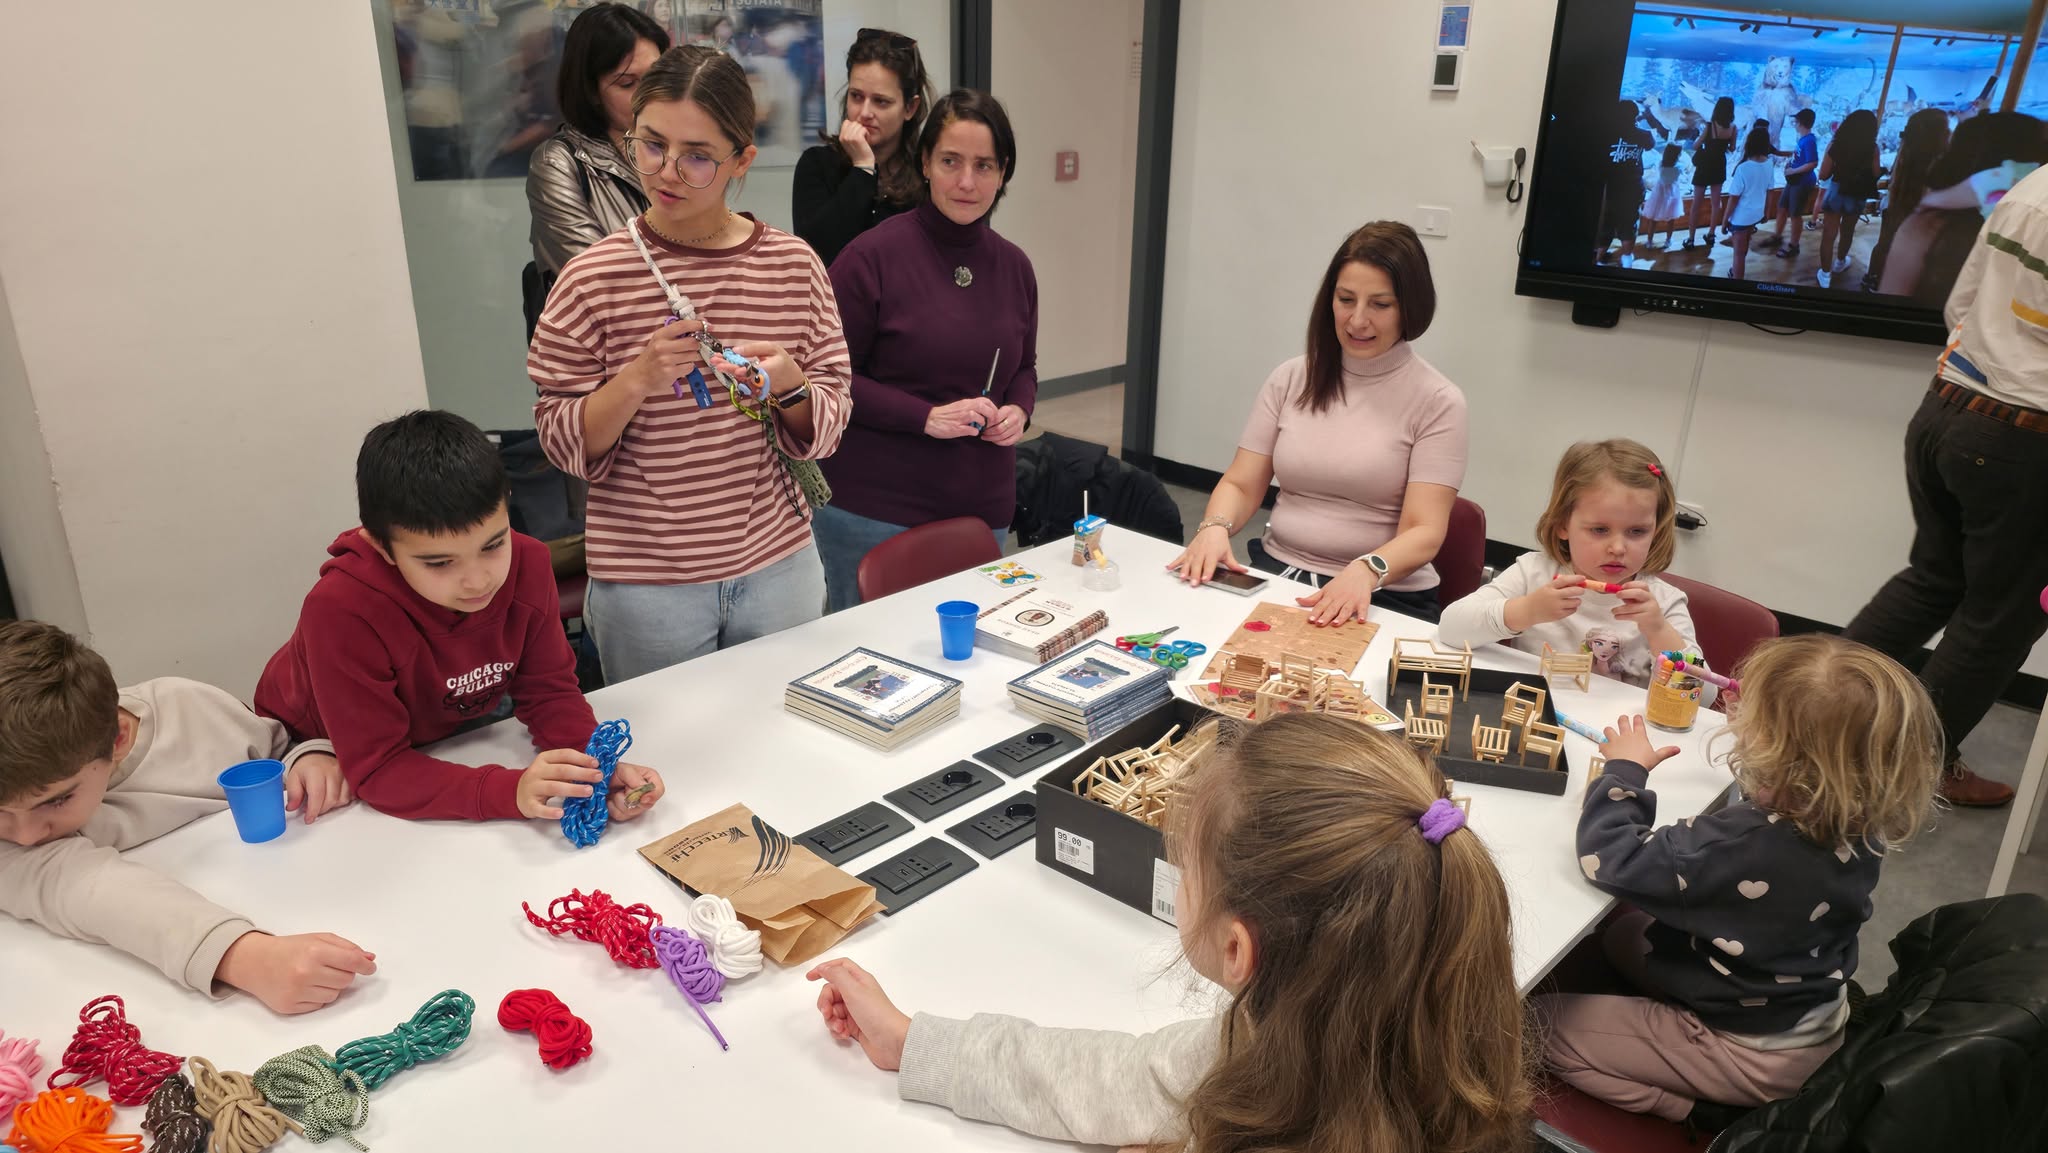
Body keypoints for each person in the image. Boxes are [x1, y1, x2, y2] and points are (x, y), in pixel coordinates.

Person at [806, 713, 1531, 1151]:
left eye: (1184, 869)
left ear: (1237, 949)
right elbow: (1109, 1076)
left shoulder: (1256, 1058)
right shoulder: (1423, 1021)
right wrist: (911, 1042)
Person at [531, 46, 851, 679]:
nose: (667, 172)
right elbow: (559, 439)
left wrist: (789, 386)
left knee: (785, 724)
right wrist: (637, 379)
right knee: (664, 741)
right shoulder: (593, 277)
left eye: (698, 156)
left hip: (778, 560)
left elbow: (831, 420)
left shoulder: (793, 266)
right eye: (651, 145)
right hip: (648, 582)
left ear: (742, 161)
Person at [1538, 635, 1943, 1123]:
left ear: (1772, 748)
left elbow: (1607, 858)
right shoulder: (1859, 819)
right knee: (1620, 935)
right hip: (1798, 1012)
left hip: (1744, 1051)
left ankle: (1697, 1111)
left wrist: (1624, 772)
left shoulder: (1740, 845)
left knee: (1536, 1025)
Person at [255, 411, 666, 823]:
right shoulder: (341, 609)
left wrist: (592, 769)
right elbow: (379, 767)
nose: (478, 581)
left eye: (493, 545)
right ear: (381, 547)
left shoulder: (529, 562)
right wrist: (508, 792)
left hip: (435, 730)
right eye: (439, 563)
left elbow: (549, 692)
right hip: (306, 741)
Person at [0, 621, 376, 1014]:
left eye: (56, 800)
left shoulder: (192, 711)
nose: (25, 836)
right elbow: (85, 890)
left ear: (118, 739)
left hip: (320, 882)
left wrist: (311, 756)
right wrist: (243, 957)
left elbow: (276, 752)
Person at [1845, 159, 2048, 808]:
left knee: (1935, 578)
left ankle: (1804, 717)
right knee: (1997, 619)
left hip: (1947, 406)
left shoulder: (2032, 183)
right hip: (2022, 432)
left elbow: (1962, 303)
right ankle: (1914, 768)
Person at [1166, 222, 1466, 625]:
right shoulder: (1291, 378)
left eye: (1380, 305)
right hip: (1280, 573)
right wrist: (1214, 527)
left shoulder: (1438, 401)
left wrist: (1366, 569)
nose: (1357, 320)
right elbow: (1241, 483)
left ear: (1410, 308)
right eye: (1346, 299)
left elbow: (1424, 530)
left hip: (1383, 591)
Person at [813, 90, 1034, 612]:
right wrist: (925, 417)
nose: (966, 182)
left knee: (973, 651)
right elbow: (828, 378)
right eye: (951, 161)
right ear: (925, 163)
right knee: (868, 656)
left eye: (984, 166)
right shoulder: (871, 257)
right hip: (874, 510)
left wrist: (1020, 410)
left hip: (981, 509)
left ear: (1003, 173)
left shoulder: (1015, 267)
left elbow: (1023, 366)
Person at [1439, 439, 1700, 687]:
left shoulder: (1663, 602)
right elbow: (1450, 628)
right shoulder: (1534, 573)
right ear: (1563, 524)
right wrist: (1528, 610)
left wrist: (1658, 631)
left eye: (1637, 531)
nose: (1618, 548)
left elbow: (1703, 694)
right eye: (1599, 530)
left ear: (1656, 531)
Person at [527, 4, 671, 295]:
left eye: (657, 77)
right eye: (628, 83)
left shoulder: (676, 147)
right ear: (591, 90)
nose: (651, 94)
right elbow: (598, 282)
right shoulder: (557, 163)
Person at [791, 28, 933, 267]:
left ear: (910, 108)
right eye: (856, 96)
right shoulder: (817, 164)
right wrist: (863, 169)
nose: (865, 112)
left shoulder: (926, 174)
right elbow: (815, 256)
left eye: (881, 101)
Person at [1863, 108, 1951, 292]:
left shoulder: (1906, 151)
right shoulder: (1937, 164)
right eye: (1946, 129)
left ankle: (1872, 278)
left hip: (1894, 204)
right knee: (1891, 246)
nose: (1949, 133)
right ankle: (1877, 279)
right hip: (1904, 208)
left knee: (1885, 243)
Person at [1815, 110, 1880, 289]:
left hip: (1836, 191)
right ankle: (1840, 262)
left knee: (1829, 235)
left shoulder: (1835, 144)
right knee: (1848, 231)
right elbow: (1875, 173)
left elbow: (1823, 174)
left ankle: (1825, 276)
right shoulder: (1873, 148)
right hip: (1857, 194)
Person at [1599, 98, 1655, 267]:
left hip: (1610, 186)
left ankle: (1598, 259)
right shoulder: (1643, 135)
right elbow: (1650, 144)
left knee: (1606, 223)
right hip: (1633, 185)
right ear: (1635, 115)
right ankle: (1626, 258)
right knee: (1629, 223)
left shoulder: (1605, 134)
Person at [1761, 108, 1820, 260]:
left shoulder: (1809, 141)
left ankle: (1794, 245)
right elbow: (1801, 158)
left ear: (1801, 123)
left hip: (1802, 181)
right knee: (1782, 207)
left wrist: (1793, 171)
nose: (1795, 124)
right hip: (1794, 180)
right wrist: (1790, 164)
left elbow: (1813, 163)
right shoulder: (1803, 139)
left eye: (1796, 122)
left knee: (1795, 214)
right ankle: (1777, 236)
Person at [1720, 127, 1777, 281]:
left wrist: (1725, 221)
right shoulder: (1769, 164)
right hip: (1756, 214)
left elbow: (1733, 199)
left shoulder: (1743, 168)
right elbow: (1770, 191)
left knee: (1738, 254)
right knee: (1743, 246)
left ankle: (1737, 281)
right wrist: (1767, 212)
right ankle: (1735, 270)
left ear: (1749, 143)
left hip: (1741, 218)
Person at [1687, 97, 1738, 250]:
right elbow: (1732, 148)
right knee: (1716, 203)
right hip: (1719, 165)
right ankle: (1711, 234)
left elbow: (1695, 146)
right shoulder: (1733, 128)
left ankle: (1691, 239)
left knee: (1696, 204)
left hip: (1704, 165)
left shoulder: (1710, 126)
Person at [1644, 143, 1685, 252]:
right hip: (1672, 193)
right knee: (1671, 219)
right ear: (1677, 154)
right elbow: (1674, 178)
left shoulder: (1660, 163)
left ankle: (1649, 241)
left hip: (1659, 192)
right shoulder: (1679, 166)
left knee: (1653, 218)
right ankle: (1668, 240)